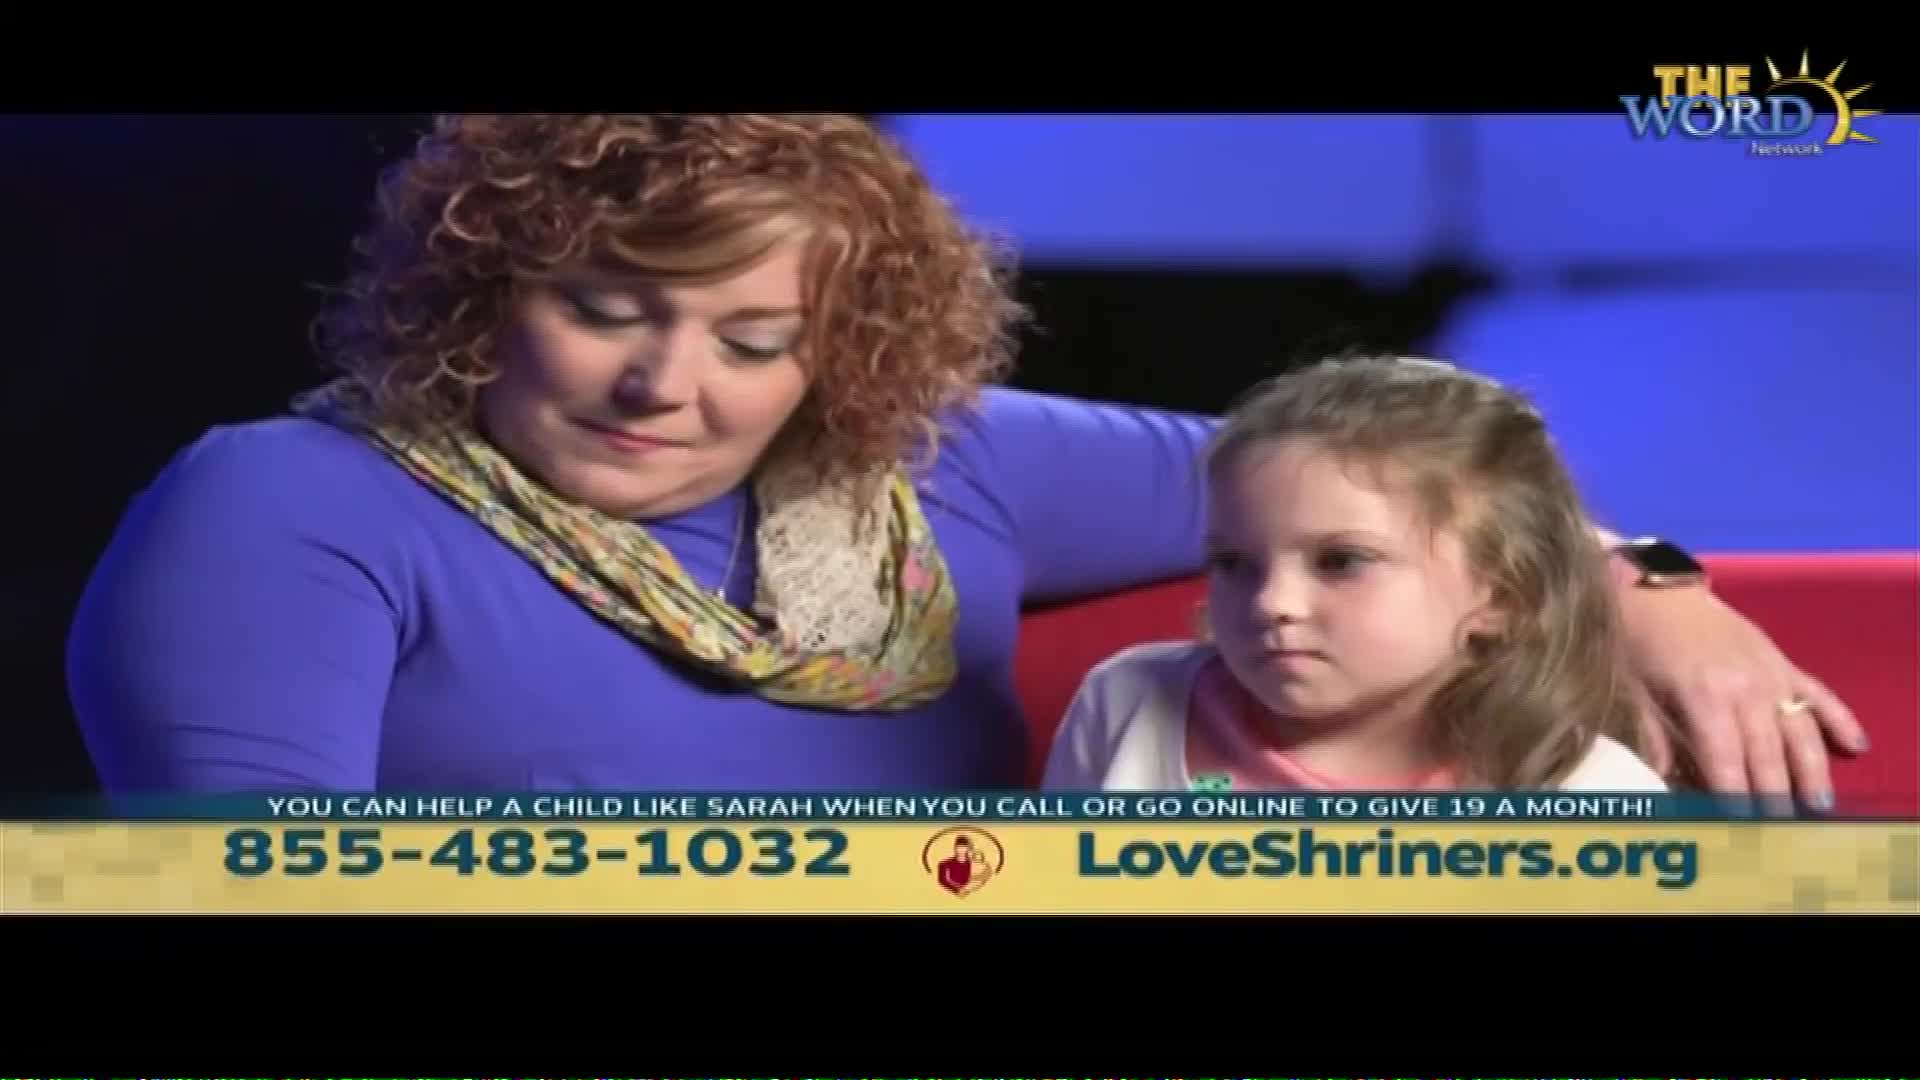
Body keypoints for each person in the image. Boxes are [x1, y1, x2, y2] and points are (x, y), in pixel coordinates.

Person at [67, 114, 1866, 797]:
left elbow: (1424, 483)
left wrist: (1664, 594)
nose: (665, 384)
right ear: (480, 288)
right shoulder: (285, 502)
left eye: (756, 341)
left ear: (835, 350)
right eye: (607, 310)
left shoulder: (960, 462)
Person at [1044, 355, 1695, 794]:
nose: (1272, 602)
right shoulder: (1127, 702)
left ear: (1503, 592)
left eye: (1341, 562)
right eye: (1233, 563)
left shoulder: (1595, 793)